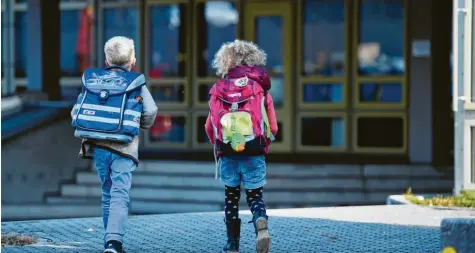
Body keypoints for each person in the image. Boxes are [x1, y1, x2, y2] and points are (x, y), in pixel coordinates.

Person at [71, 36, 157, 253]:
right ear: (132, 61)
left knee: (107, 192)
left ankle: (108, 240)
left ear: (107, 61)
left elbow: (77, 110)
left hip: (98, 146)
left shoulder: (93, 80)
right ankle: (114, 242)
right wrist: (139, 125)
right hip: (124, 148)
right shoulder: (135, 82)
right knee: (120, 193)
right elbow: (151, 110)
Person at [205, 40, 278, 253]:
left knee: (231, 199)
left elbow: (209, 126)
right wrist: (264, 143)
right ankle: (260, 221)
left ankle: (231, 244)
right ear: (253, 60)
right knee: (255, 196)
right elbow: (272, 126)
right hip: (254, 152)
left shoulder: (219, 89)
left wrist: (220, 145)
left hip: (228, 153)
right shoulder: (260, 89)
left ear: (226, 62)